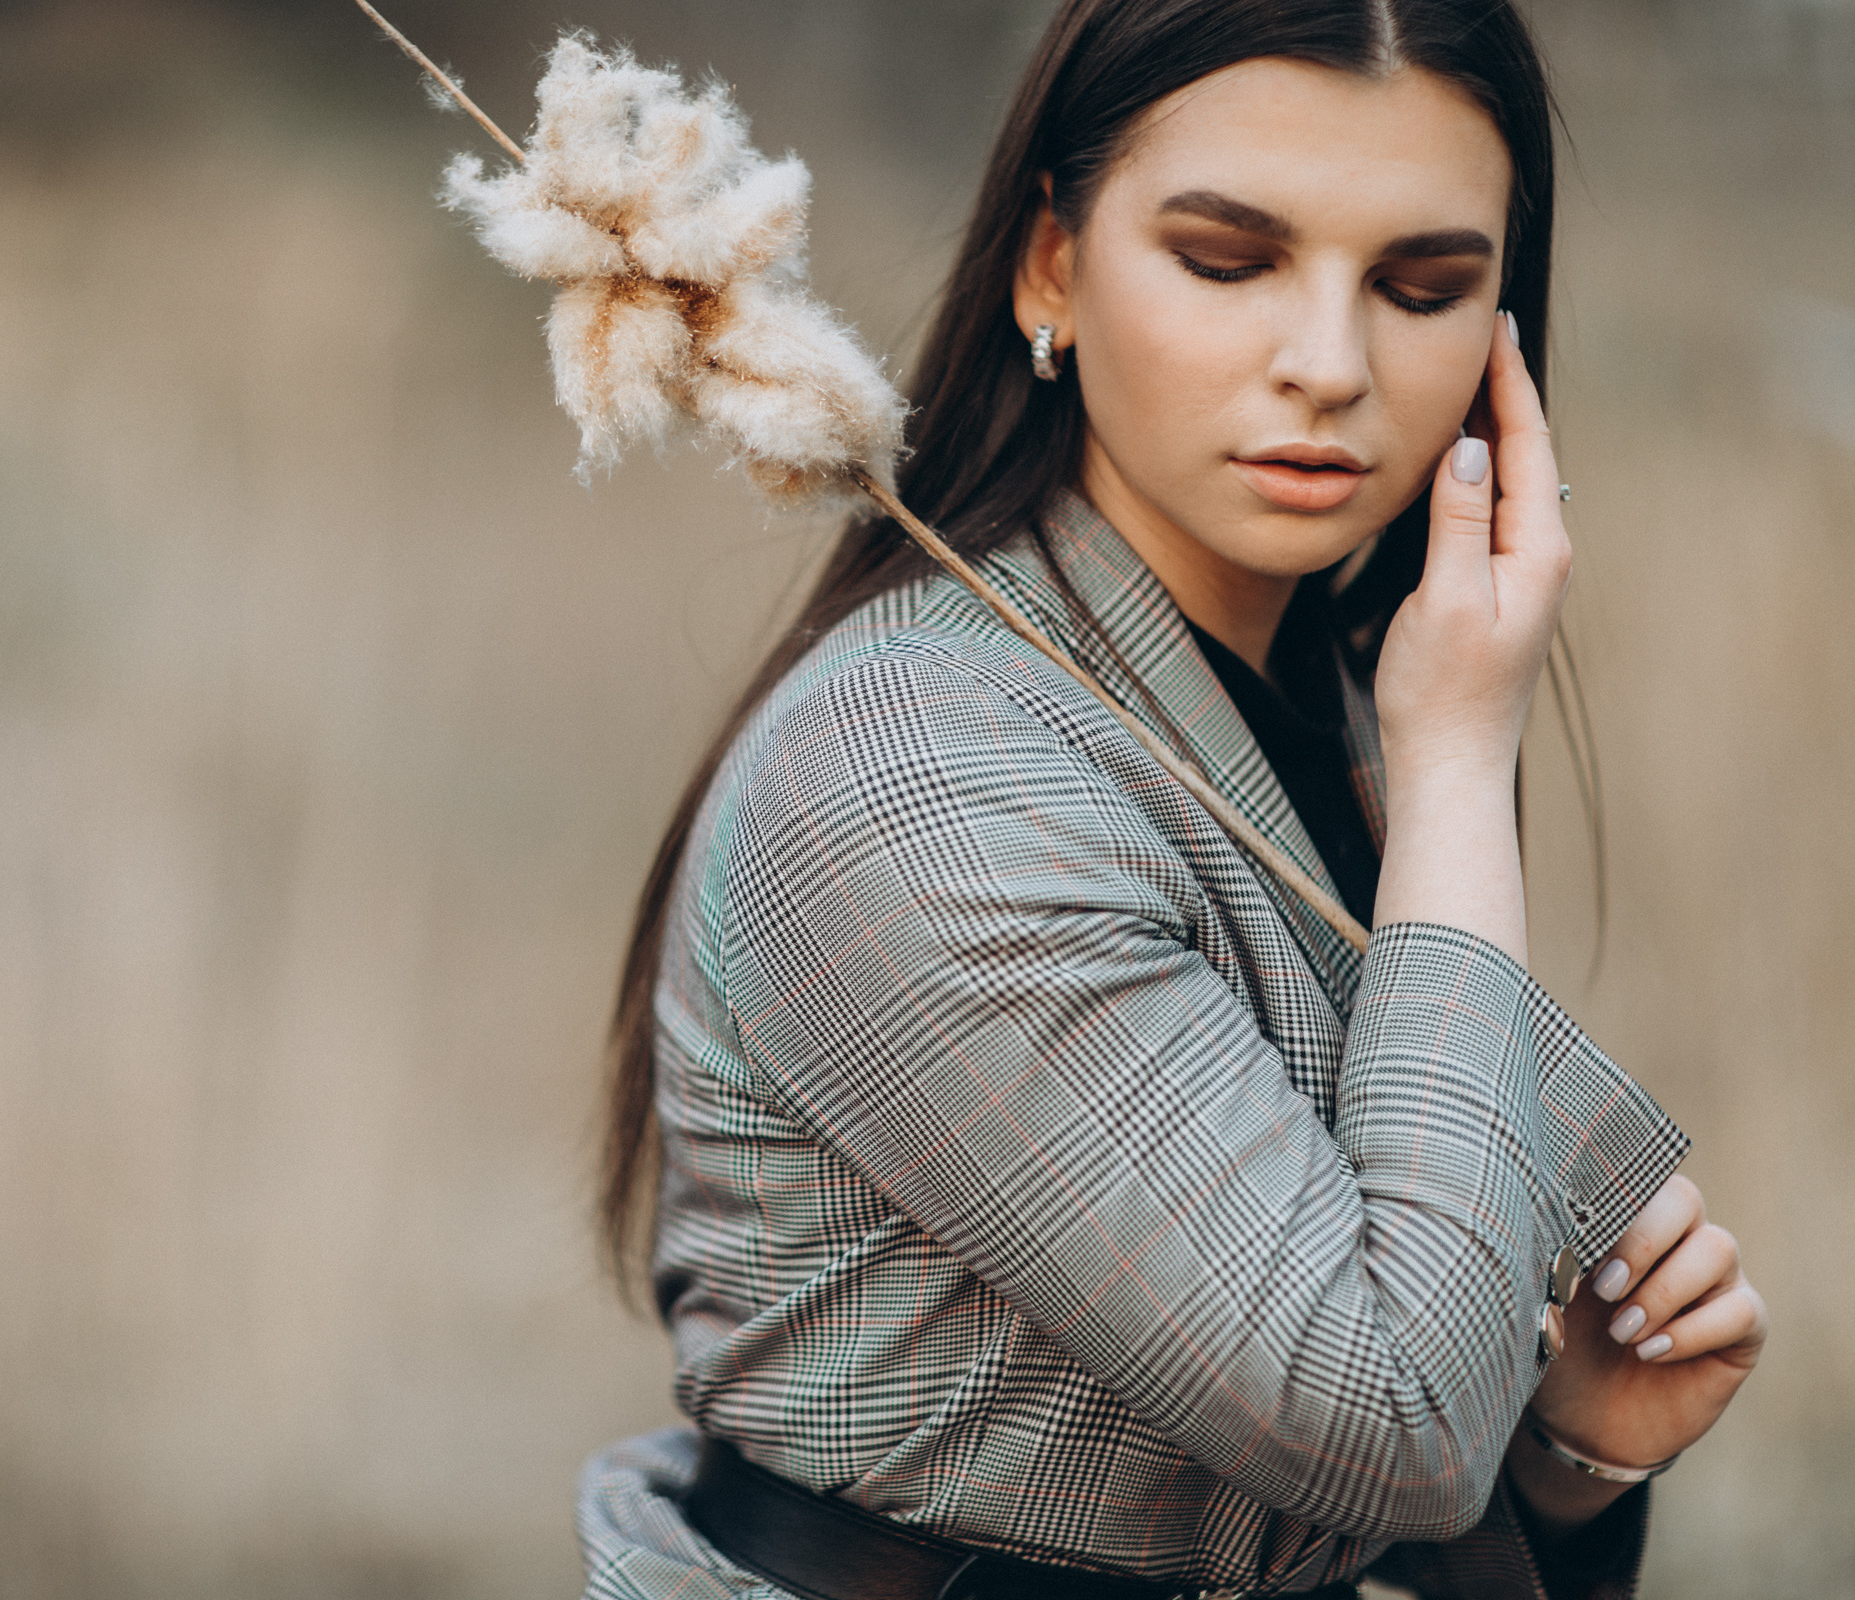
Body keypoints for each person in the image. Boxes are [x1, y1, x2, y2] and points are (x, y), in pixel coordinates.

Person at [575, 3, 1768, 1598]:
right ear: (1051, 264)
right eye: (1229, 260)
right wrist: (1465, 760)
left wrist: (1567, 1453)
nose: (1331, 368)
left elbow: (1386, 1439)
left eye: (1423, 288)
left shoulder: (1323, 702)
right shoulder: (922, 767)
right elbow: (1390, 1416)